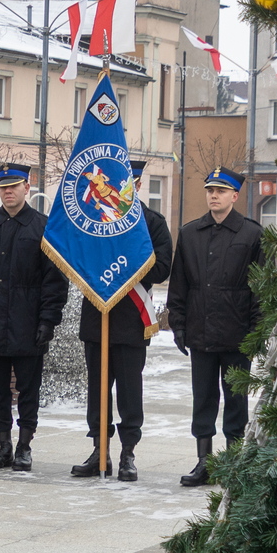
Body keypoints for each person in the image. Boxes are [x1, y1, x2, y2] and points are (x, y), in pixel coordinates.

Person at [0, 163, 69, 472]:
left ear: (27, 187)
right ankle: (3, 444)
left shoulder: (44, 228)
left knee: (28, 391)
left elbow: (54, 281)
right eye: (3, 187)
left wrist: (48, 321)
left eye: (14, 186)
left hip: (28, 325)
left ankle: (24, 445)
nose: (8, 192)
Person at [70, 159, 172, 482]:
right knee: (97, 393)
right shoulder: (92, 221)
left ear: (137, 185)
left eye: (130, 183)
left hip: (131, 321)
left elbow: (162, 267)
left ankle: (128, 453)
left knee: (130, 392)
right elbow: (76, 258)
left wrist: (126, 259)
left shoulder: (152, 223)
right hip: (97, 317)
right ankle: (101, 452)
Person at [166, 166, 264, 487]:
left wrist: (257, 332)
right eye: (210, 190)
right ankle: (204, 463)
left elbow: (260, 289)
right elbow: (179, 287)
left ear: (234, 196)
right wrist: (178, 326)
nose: (213, 196)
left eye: (220, 191)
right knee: (203, 400)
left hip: (238, 336)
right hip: (201, 333)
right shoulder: (191, 233)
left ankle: (234, 463)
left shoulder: (251, 235)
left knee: (236, 402)